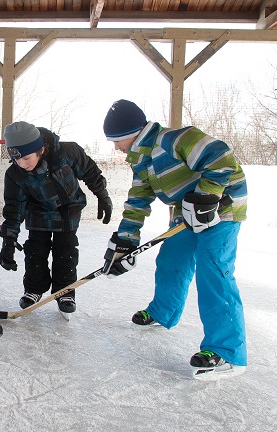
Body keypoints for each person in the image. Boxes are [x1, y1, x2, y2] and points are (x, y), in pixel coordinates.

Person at [101, 99, 248, 377]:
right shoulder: (141, 159)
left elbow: (222, 158)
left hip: (223, 207)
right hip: (189, 209)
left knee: (214, 272)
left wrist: (208, 195)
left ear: (130, 134)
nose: (116, 147)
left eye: (116, 141)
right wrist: (125, 239)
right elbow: (138, 199)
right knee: (171, 260)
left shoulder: (174, 139)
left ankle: (227, 352)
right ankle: (163, 313)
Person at [0, 121, 112, 317]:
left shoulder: (68, 153)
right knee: (35, 251)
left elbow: (90, 171)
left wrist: (102, 194)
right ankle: (33, 289)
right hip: (38, 213)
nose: (22, 164)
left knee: (66, 251)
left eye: (26, 158)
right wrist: (8, 240)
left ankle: (65, 292)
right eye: (17, 160)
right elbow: (14, 208)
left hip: (68, 211)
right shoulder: (15, 174)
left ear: (41, 149)